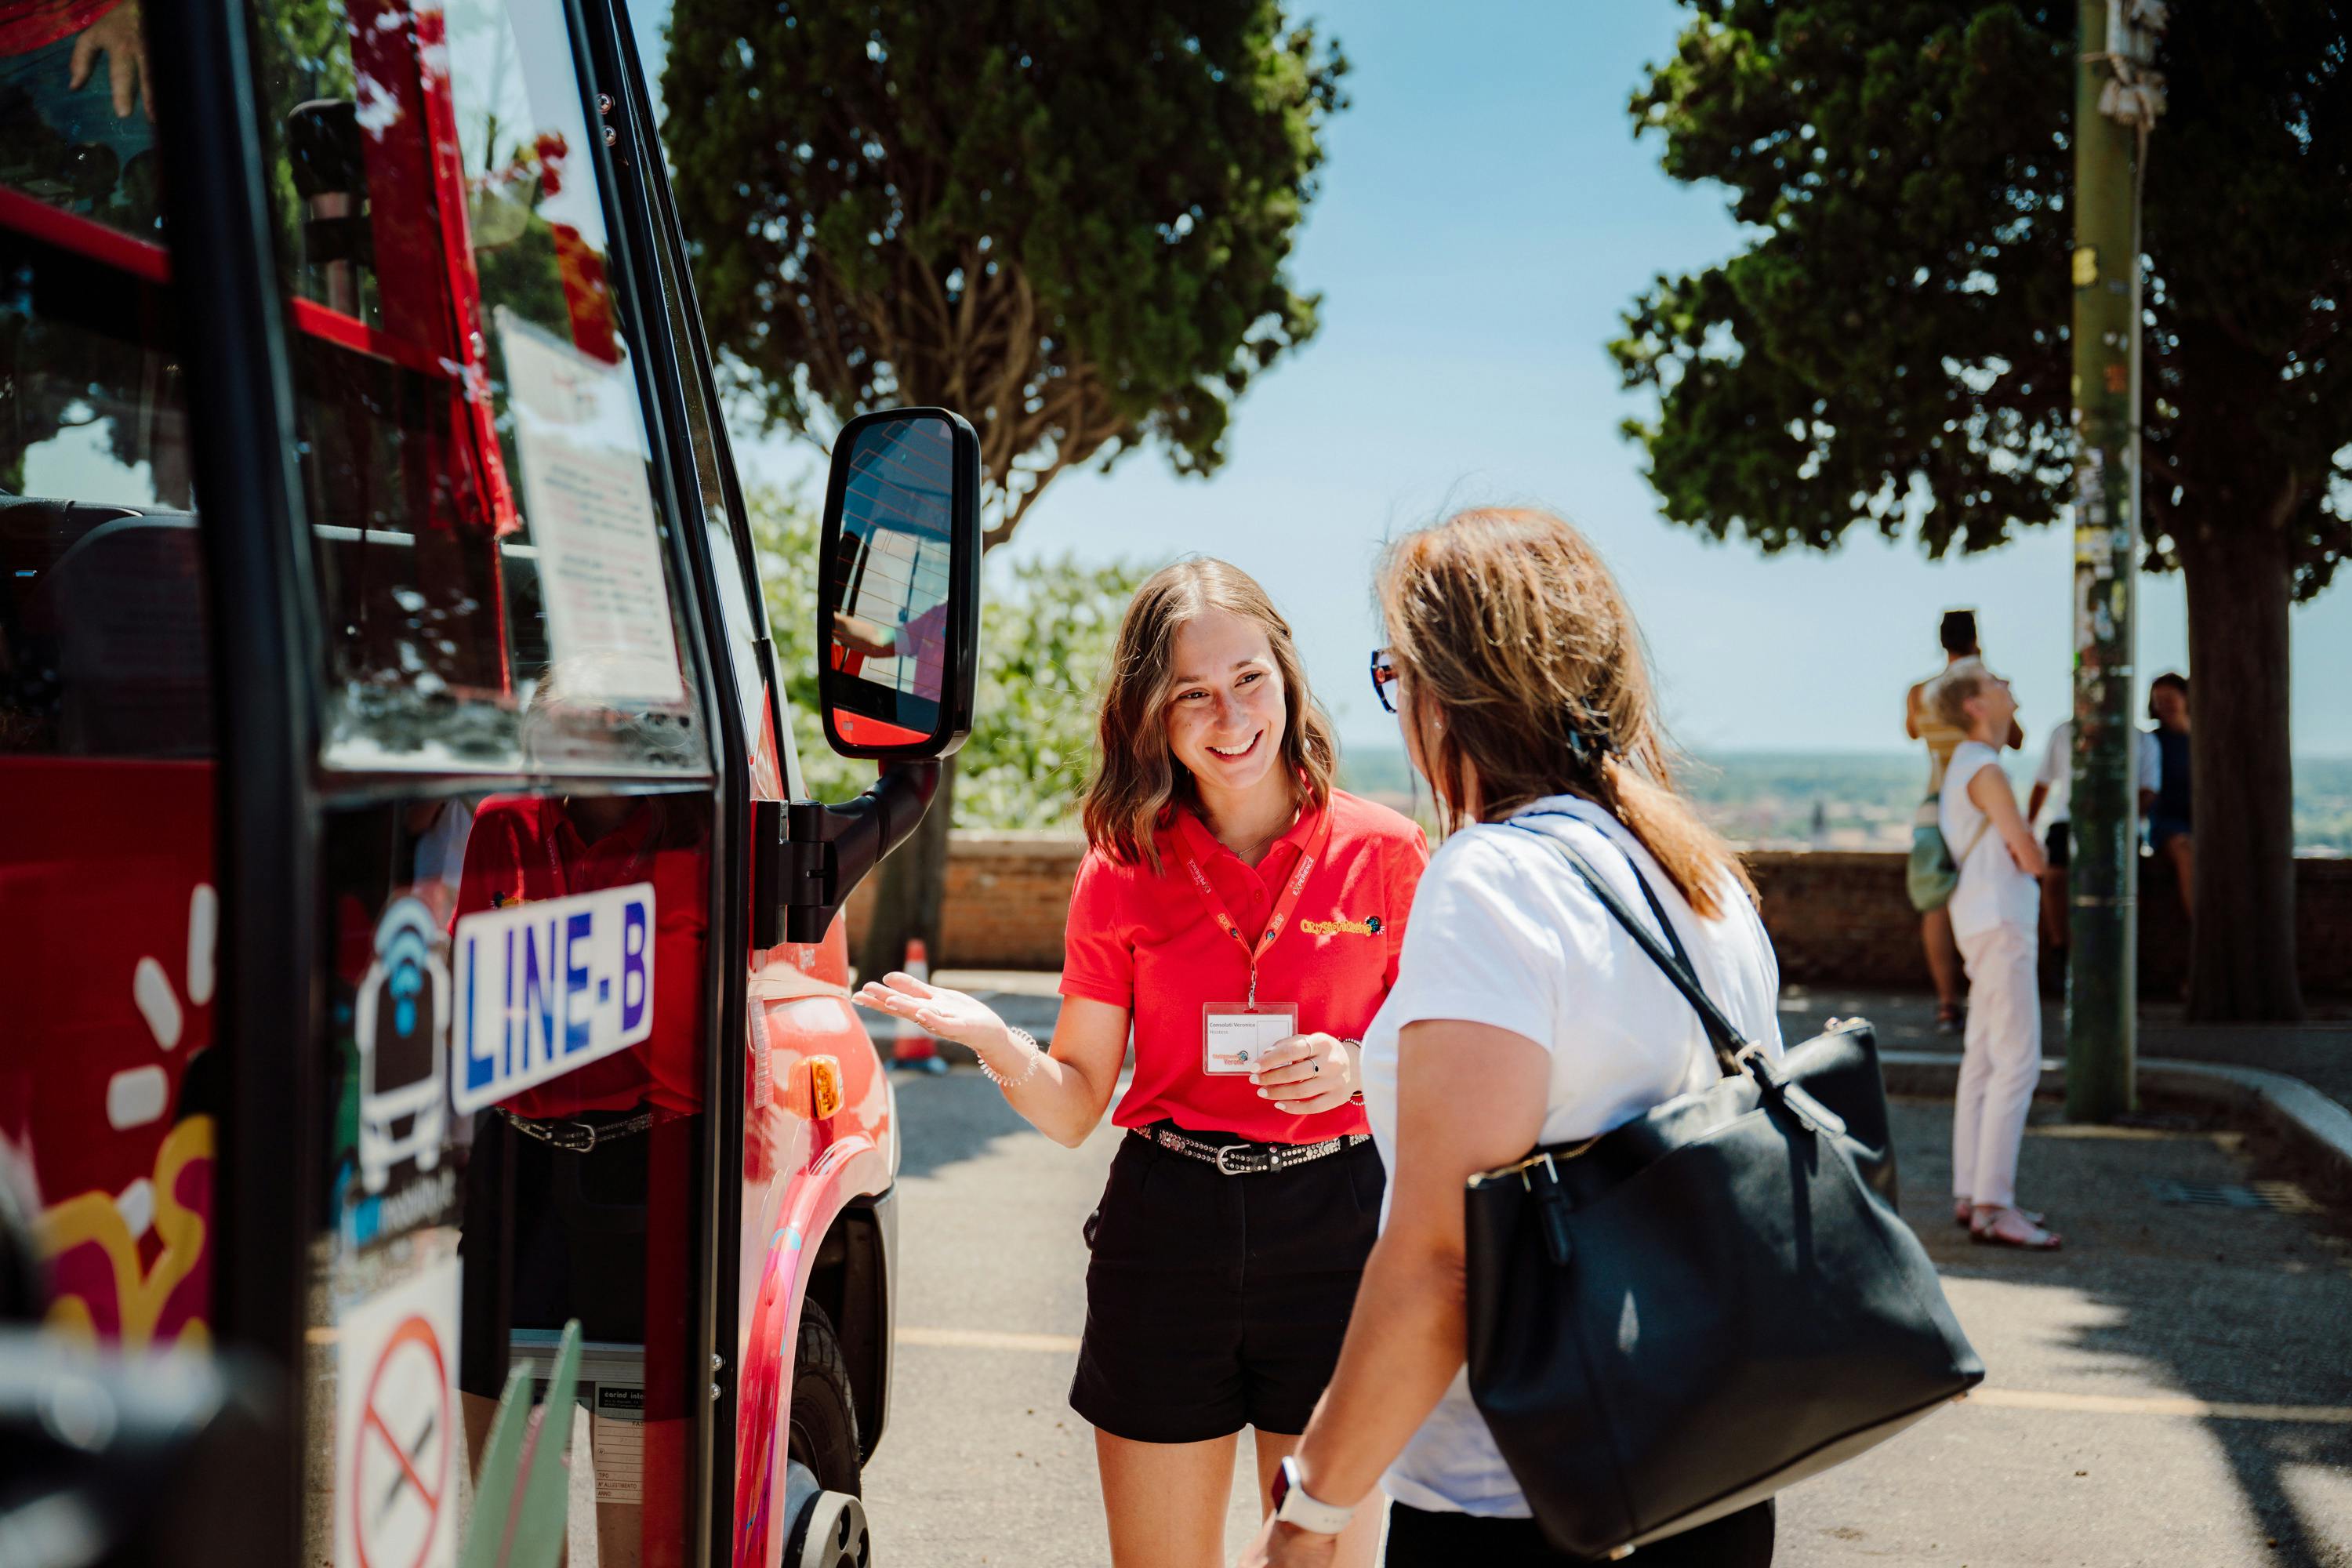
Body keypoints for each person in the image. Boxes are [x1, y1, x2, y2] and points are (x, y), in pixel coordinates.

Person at [856, 559, 1427, 1568]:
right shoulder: (1121, 867)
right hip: (1170, 1230)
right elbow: (1078, 1103)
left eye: (1248, 676)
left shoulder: (1388, 852)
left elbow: (1436, 1067)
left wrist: (1356, 1065)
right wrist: (1000, 1042)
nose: (1229, 713)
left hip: (1339, 1225)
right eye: (1192, 693)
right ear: (1151, 714)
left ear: (1288, 674)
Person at [1241, 508, 1784, 1568]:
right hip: (1711, 1466)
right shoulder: (1699, 877)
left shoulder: (1493, 884)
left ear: (1450, 693)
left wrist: (1309, 1512)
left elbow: (1447, 1260)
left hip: (1530, 1497)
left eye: (1397, 675)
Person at [1936, 665, 2059, 1250]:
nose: (2008, 680)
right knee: (2017, 1061)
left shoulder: (1961, 765)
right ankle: (1994, 1204)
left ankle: (1972, 1192)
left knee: (1984, 1060)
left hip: (1977, 918)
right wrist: (2036, 855)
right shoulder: (1986, 769)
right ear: (1977, 706)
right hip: (2004, 920)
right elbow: (2029, 854)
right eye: (1994, 681)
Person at [1904, 611, 2020, 1033]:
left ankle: (1947, 1003)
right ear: (1976, 639)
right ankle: (1991, 996)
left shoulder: (1920, 692)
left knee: (1934, 904)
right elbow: (2015, 738)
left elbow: (1913, 732)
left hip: (1935, 800)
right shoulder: (1988, 687)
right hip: (1982, 803)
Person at [2026, 717, 2161, 949]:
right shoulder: (2063, 732)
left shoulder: (2143, 739)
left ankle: (2124, 949)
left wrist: (2116, 820)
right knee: (2055, 878)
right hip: (2067, 821)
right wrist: (2028, 827)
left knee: (2125, 885)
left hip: (2120, 824)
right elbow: (2043, 782)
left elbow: (2149, 790)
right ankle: (2060, 947)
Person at [2147, 672, 2193, 919]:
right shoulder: (2152, 742)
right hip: (2169, 825)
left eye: (2169, 698)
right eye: (2158, 699)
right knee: (2185, 850)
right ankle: (2200, 924)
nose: (2164, 705)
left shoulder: (2204, 739)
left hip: (2202, 823)